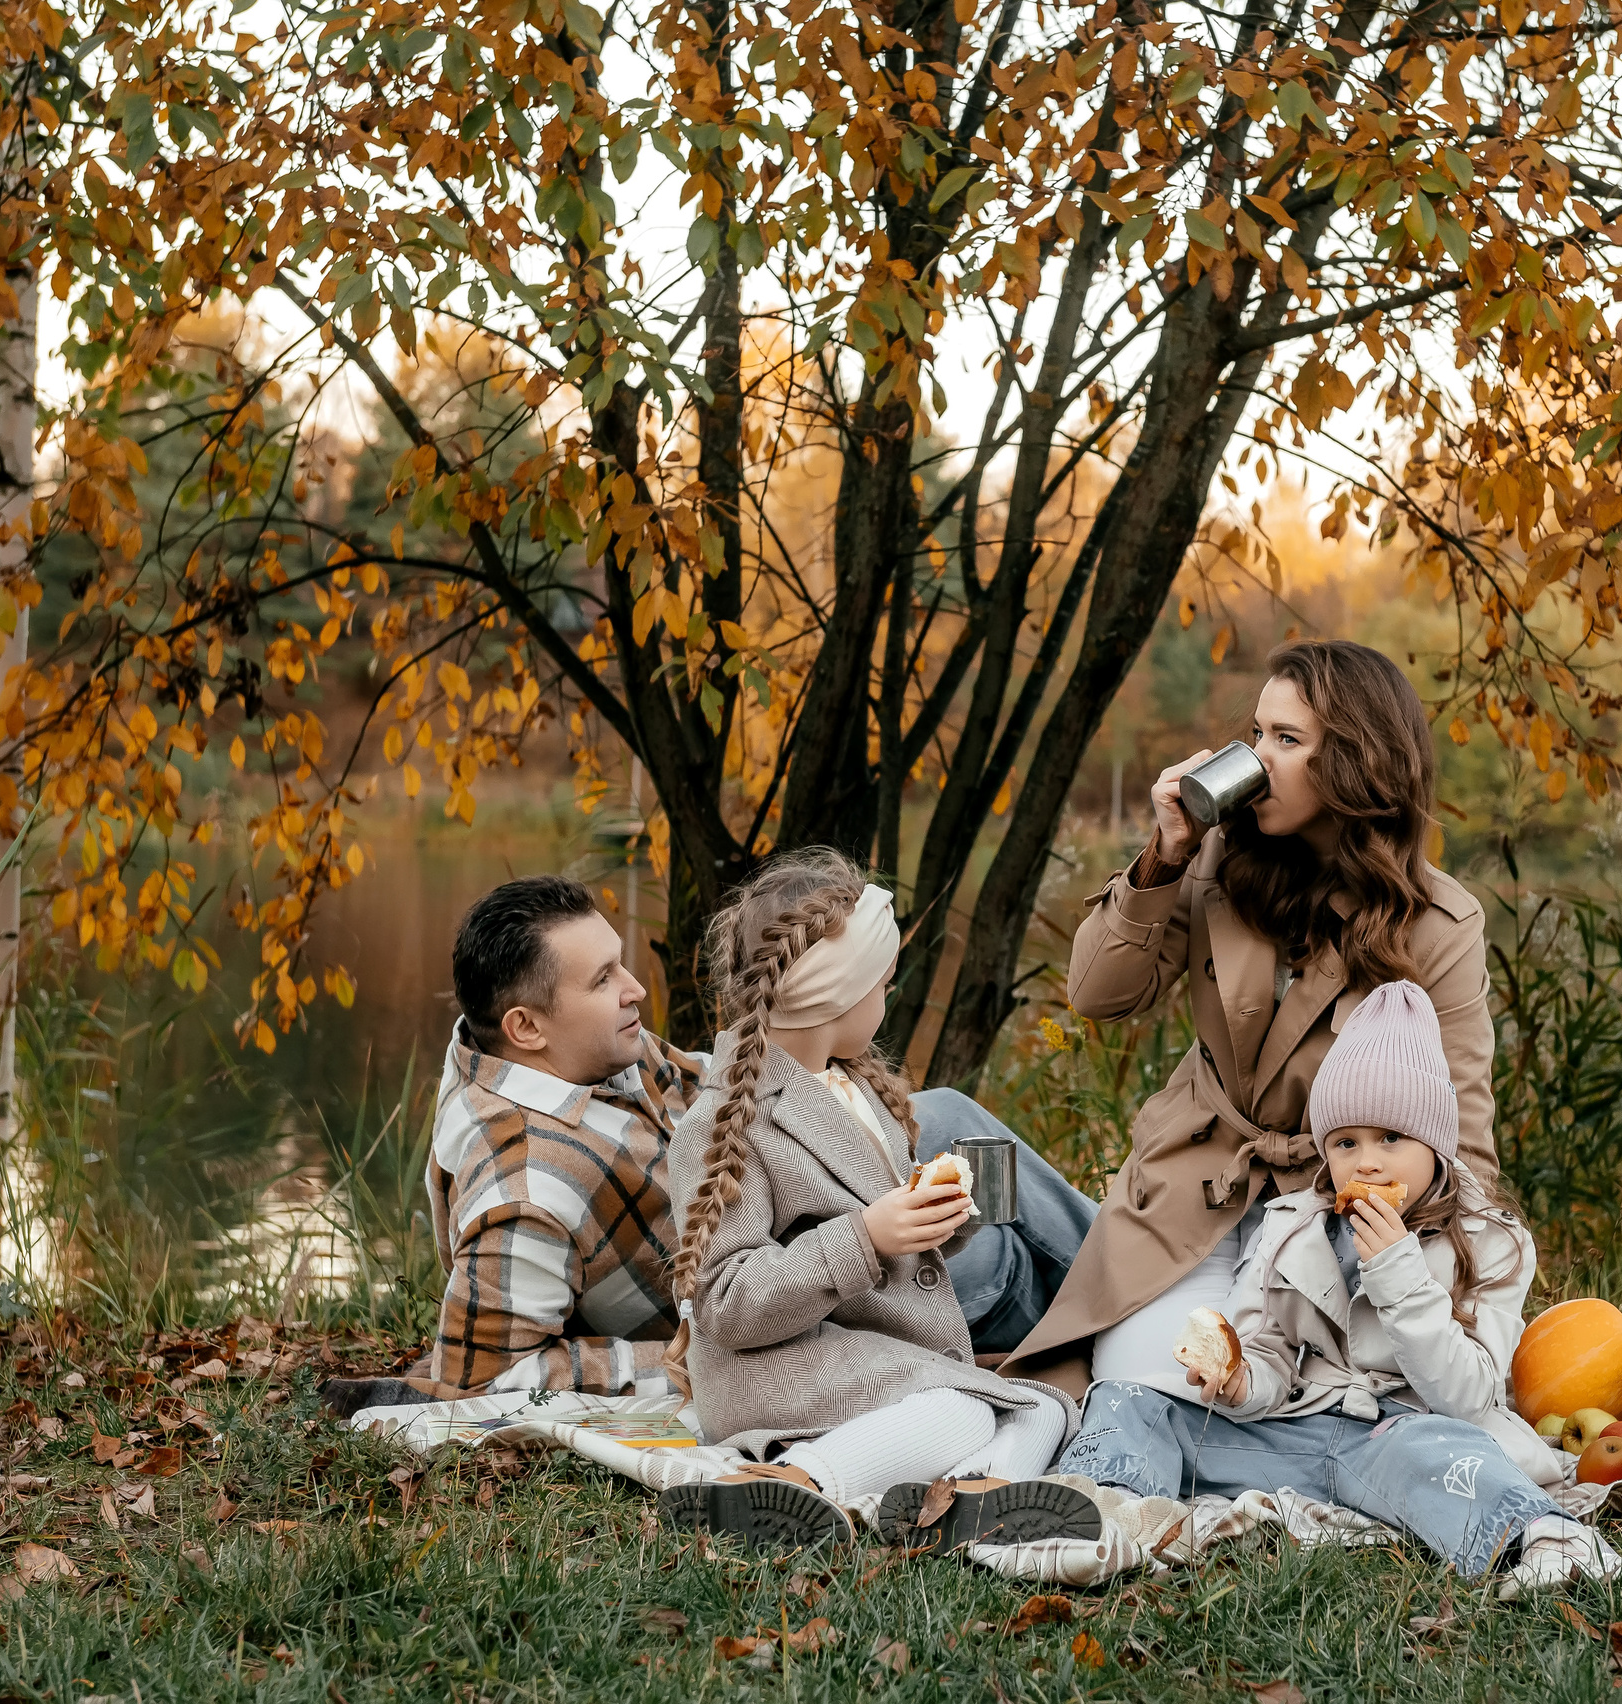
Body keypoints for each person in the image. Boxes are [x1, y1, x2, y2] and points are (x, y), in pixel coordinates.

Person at [319, 873, 1096, 1416]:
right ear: (526, 1026)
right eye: (602, 980)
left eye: (621, 965)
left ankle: (1130, 1266)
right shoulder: (523, 1185)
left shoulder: (577, 1056)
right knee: (999, 1259)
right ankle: (1122, 1306)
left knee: (954, 1121)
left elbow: (714, 1088)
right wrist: (689, 1361)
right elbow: (490, 1377)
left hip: (789, 1208)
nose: (634, 990)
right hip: (789, 1287)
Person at [1004, 638, 1499, 1398]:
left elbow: (1459, 1135)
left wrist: (1466, 1299)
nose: (1258, 757)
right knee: (1152, 1387)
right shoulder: (1213, 861)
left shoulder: (1437, 924)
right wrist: (1160, 861)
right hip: (1195, 1188)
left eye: (1288, 740)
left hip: (1330, 1218)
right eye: (1258, 733)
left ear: (1355, 762)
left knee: (1318, 1399)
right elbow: (1099, 994)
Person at [1053, 982, 1622, 1588]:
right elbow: (1267, 1348)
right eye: (1346, 1143)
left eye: (1390, 1139)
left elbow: (1468, 1394)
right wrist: (1242, 1381)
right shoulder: (1289, 1226)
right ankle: (1089, 1517)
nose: (1367, 1162)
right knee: (1129, 1397)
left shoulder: (1491, 1240)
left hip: (1405, 1434)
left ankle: (1552, 1540)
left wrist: (1400, 1271)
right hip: (1300, 1427)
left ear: (1435, 1145)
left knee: (1444, 1453)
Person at [659, 851, 1102, 1551]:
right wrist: (867, 1235)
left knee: (1045, 1408)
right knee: (962, 1412)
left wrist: (938, 1219)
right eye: (884, 986)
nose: (888, 1001)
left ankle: (975, 1498)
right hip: (778, 1365)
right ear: (835, 992)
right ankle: (790, 1485)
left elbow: (888, 1236)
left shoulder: (851, 1089)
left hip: (864, 1345)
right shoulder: (724, 1125)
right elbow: (727, 1301)